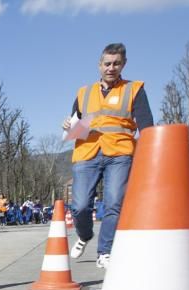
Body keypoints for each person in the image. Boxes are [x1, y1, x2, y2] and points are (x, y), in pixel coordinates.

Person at [63, 42, 153, 269]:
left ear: (123, 64)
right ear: (99, 65)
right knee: (80, 205)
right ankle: (84, 235)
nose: (111, 68)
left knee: (114, 203)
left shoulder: (134, 89)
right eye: (107, 64)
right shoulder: (84, 93)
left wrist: (149, 155)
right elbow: (75, 124)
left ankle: (105, 251)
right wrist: (68, 124)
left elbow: (147, 126)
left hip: (120, 152)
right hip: (87, 151)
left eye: (116, 64)